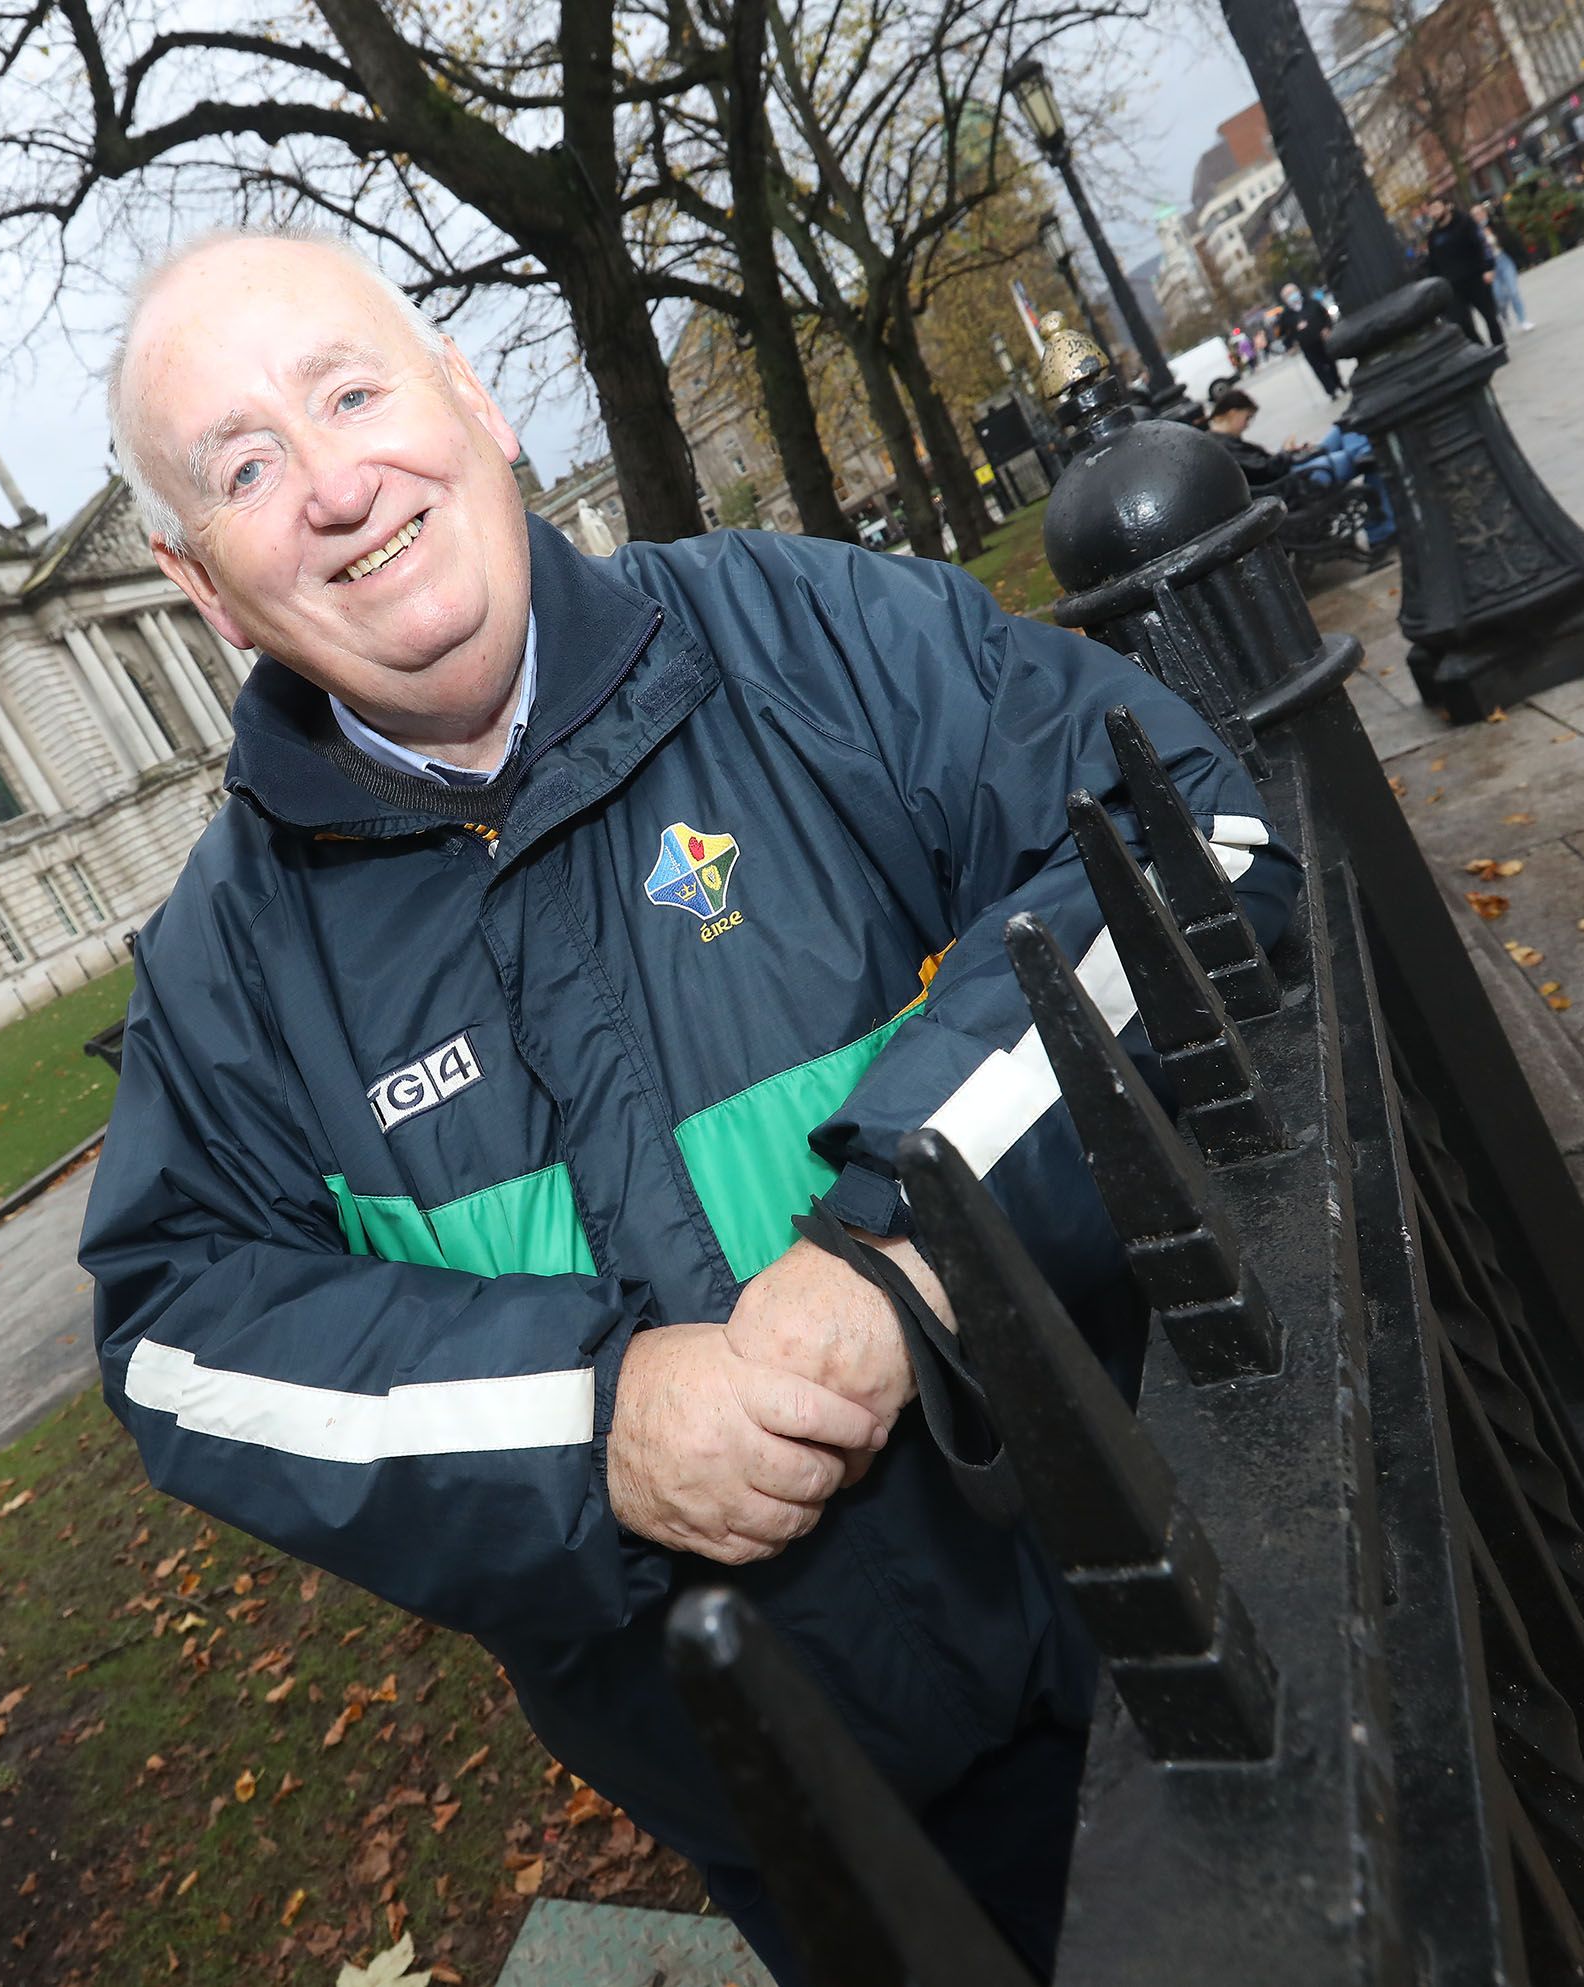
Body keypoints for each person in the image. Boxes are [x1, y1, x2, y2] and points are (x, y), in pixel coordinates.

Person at [80, 228, 1300, 1985]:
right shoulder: (225, 973)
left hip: (1173, 1618)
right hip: (811, 1829)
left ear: (473, 401)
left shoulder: (812, 634)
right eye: (248, 467)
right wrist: (589, 1424)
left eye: (353, 392)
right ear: (203, 582)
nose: (338, 485)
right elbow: (178, 1340)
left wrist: (907, 1230)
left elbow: (1189, 837)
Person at [1206, 385, 1395, 550]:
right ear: (1232, 413)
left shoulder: (1223, 441)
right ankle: (1379, 530)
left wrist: (1289, 453)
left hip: (1292, 477)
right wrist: (1286, 453)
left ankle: (1360, 452)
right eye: (1247, 418)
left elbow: (1263, 467)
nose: (1247, 424)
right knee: (1360, 456)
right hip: (1296, 484)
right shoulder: (1222, 445)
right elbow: (1266, 470)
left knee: (1343, 428)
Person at [1423, 195, 1504, 349]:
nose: (1433, 213)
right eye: (1430, 210)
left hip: (1476, 278)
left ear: (1447, 207)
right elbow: (1433, 263)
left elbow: (1482, 245)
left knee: (1489, 316)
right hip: (1453, 285)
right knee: (1461, 321)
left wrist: (1488, 268)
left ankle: (1499, 346)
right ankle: (1480, 349)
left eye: (1436, 208)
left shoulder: (1465, 222)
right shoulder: (1433, 236)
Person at [1473, 202, 1535, 332]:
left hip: (1504, 260)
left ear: (1484, 213)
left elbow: (1512, 240)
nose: (1478, 216)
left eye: (1479, 213)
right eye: (1475, 215)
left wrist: (1525, 259)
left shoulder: (1496, 225)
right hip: (1490, 267)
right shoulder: (1473, 233)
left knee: (1513, 291)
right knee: (1499, 296)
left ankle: (1523, 320)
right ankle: (1503, 314)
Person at [1277, 280, 1344, 397]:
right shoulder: (1286, 316)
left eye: (1292, 292)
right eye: (1287, 295)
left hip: (1322, 340)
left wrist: (1327, 328)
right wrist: (1290, 346)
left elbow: (1326, 316)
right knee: (1319, 369)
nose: (1291, 296)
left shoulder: (1312, 303)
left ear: (1298, 291)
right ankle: (1331, 390)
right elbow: (1285, 334)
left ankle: (1339, 383)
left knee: (1331, 363)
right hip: (1307, 346)